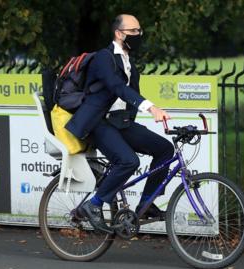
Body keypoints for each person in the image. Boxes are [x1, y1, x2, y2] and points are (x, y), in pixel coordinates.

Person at [65, 14, 175, 233]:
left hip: (119, 122)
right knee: (128, 161)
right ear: (119, 33)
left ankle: (146, 203)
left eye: (139, 31)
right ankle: (93, 204)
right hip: (97, 122)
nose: (138, 35)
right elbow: (117, 87)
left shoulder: (128, 60)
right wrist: (151, 108)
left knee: (165, 149)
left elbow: (131, 91)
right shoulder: (103, 58)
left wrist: (138, 116)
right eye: (133, 31)